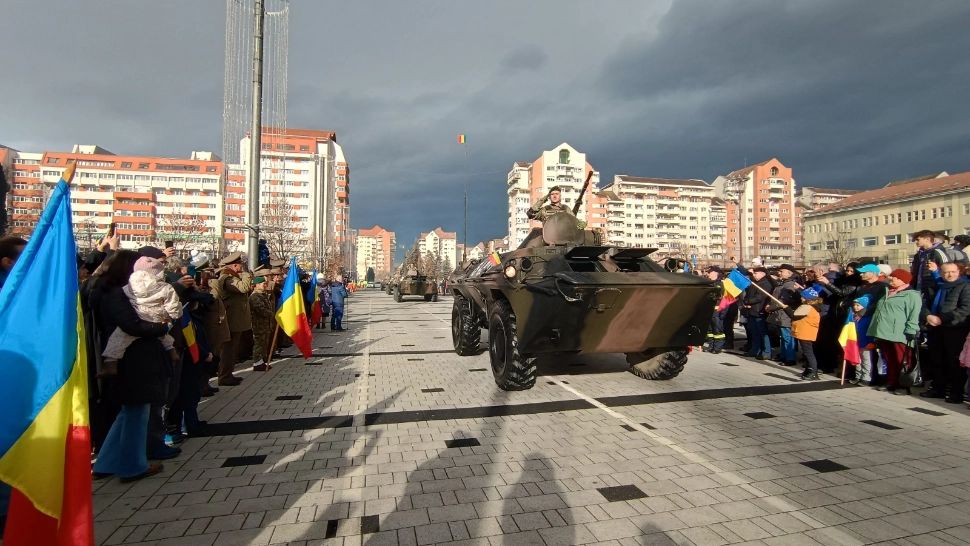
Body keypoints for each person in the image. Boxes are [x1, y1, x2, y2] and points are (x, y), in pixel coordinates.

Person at [91, 252, 173, 482]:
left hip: (134, 359)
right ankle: (132, 465)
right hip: (133, 361)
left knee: (128, 414)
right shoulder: (117, 295)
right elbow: (131, 325)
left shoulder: (116, 293)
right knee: (137, 413)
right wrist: (161, 328)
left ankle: (107, 462)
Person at [101, 256, 182, 370]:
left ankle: (111, 363)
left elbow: (124, 299)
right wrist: (174, 315)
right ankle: (172, 351)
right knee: (164, 336)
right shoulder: (166, 287)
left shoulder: (127, 287)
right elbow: (173, 307)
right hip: (157, 317)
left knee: (117, 340)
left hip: (138, 316)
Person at [921, 263, 970, 403]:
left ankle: (956, 393)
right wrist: (927, 316)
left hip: (955, 329)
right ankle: (938, 389)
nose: (950, 275)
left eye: (953, 272)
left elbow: (965, 309)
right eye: (947, 272)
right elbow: (924, 303)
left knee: (954, 362)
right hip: (934, 328)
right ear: (941, 273)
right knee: (936, 360)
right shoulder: (937, 285)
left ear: (958, 272)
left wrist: (941, 318)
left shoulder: (965, 286)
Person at [867, 269, 922, 394]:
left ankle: (904, 386)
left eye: (895, 278)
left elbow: (913, 314)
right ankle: (891, 382)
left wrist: (911, 329)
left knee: (902, 360)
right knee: (889, 359)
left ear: (903, 280)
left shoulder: (911, 295)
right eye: (891, 277)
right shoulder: (889, 292)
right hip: (884, 332)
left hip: (900, 333)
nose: (891, 279)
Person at [215, 252, 252, 385]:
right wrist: (247, 274)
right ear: (235, 265)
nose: (241, 267)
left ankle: (228, 374)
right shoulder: (227, 278)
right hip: (231, 319)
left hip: (236, 319)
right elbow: (244, 288)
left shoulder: (232, 276)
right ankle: (224, 376)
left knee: (232, 348)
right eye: (240, 265)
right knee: (228, 349)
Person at [764, 264, 801, 366]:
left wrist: (771, 307)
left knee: (787, 337)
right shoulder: (783, 283)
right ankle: (784, 356)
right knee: (783, 337)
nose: (779, 273)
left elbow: (784, 300)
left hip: (786, 315)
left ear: (789, 273)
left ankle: (790, 358)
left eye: (782, 271)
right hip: (780, 315)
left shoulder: (790, 285)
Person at [742, 267, 774, 360]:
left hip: (760, 311)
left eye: (756, 273)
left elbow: (760, 297)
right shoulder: (755, 283)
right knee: (754, 332)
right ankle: (755, 350)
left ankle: (766, 352)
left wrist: (748, 302)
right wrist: (746, 301)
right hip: (752, 311)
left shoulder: (765, 284)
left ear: (762, 274)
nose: (754, 275)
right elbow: (749, 294)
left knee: (763, 333)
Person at [249, 265, 276, 371]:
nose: (265, 285)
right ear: (256, 285)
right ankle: (257, 362)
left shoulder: (263, 295)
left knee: (264, 343)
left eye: (265, 284)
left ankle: (262, 361)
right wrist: (271, 314)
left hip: (265, 324)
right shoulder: (255, 296)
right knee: (259, 344)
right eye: (263, 284)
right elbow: (260, 310)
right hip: (258, 324)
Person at [911, 229, 949, 303]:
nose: (916, 242)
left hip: (933, 288)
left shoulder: (938, 252)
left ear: (927, 239)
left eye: (918, 239)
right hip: (919, 287)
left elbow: (947, 269)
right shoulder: (918, 255)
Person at [792, 288, 822, 380]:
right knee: (807, 353)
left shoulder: (807, 307)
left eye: (803, 297)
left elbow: (793, 315)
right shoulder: (811, 307)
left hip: (806, 333)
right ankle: (808, 370)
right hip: (805, 332)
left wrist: (786, 308)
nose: (801, 298)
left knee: (808, 353)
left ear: (807, 299)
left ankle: (813, 372)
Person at [848, 295, 877, 386]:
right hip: (856, 341)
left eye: (858, 305)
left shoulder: (868, 317)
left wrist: (871, 341)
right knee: (857, 360)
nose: (855, 307)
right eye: (854, 305)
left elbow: (871, 330)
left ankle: (866, 378)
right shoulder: (853, 315)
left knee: (866, 361)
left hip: (866, 342)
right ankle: (858, 376)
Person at [704, 266, 728, 354]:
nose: (708, 274)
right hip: (710, 310)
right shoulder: (710, 283)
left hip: (717, 311)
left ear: (715, 273)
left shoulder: (719, 284)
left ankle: (717, 347)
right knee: (710, 330)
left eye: (709, 272)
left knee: (717, 330)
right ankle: (711, 346)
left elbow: (718, 297)